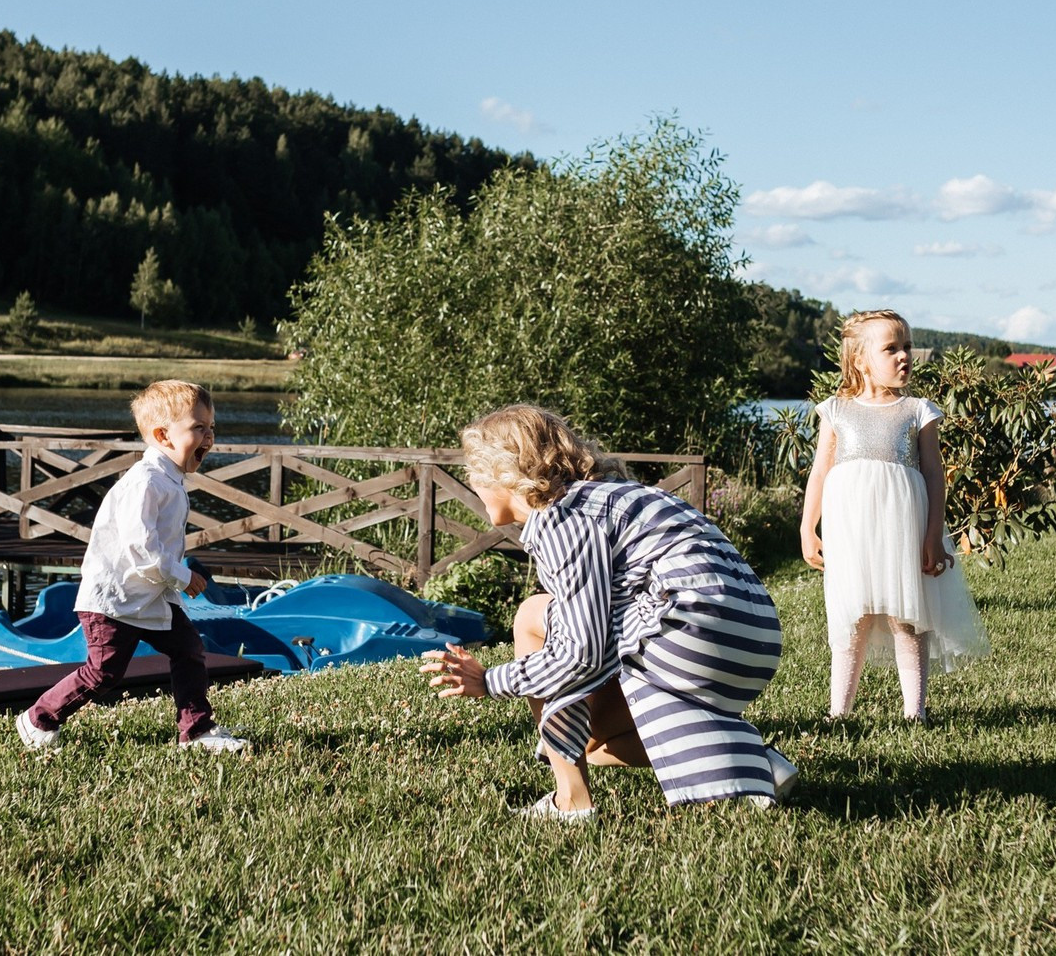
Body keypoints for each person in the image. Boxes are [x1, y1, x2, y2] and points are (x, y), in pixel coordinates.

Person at [421, 405, 797, 822]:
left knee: (531, 616)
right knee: (593, 745)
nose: (472, 482)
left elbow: (579, 654)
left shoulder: (561, 518)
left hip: (691, 628)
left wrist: (491, 681)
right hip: (754, 640)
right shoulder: (613, 496)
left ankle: (571, 802)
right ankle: (755, 763)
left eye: (474, 471)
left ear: (504, 473)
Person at [15, 379, 250, 755]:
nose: (209, 437)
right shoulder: (145, 482)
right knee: (104, 672)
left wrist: (175, 579)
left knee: (188, 649)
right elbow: (141, 551)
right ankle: (37, 720)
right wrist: (183, 576)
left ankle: (196, 730)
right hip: (114, 600)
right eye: (198, 427)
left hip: (150, 596)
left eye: (211, 427)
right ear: (163, 435)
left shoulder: (171, 480)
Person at [799, 309, 988, 724]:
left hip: (903, 525)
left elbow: (934, 474)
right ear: (861, 359)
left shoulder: (917, 410)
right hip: (851, 529)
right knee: (854, 616)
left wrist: (933, 535)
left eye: (907, 346)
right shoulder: (836, 410)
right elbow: (820, 470)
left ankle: (915, 713)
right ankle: (838, 713)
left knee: (907, 615)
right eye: (891, 348)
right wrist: (807, 526)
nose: (905, 356)